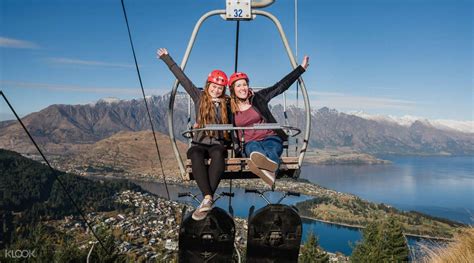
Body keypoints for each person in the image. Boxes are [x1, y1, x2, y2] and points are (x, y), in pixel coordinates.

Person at [157, 48, 230, 221]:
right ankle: (208, 197)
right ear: (208, 85)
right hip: (200, 142)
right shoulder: (199, 97)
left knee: (219, 153)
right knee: (195, 154)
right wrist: (167, 59)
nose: (216, 90)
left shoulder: (227, 103)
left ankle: (206, 199)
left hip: (217, 143)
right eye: (214, 87)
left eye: (220, 88)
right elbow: (183, 79)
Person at [229, 56, 309, 187]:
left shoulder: (258, 98)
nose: (243, 88)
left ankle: (266, 169)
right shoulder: (229, 107)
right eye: (239, 85)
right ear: (233, 89)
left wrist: (301, 69)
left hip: (270, 137)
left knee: (272, 150)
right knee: (254, 150)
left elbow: (280, 86)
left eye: (245, 84)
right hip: (250, 142)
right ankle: (271, 171)